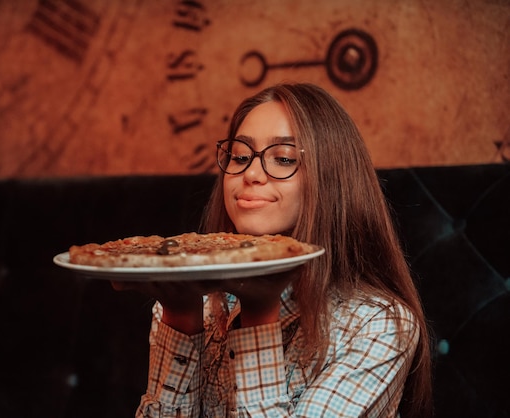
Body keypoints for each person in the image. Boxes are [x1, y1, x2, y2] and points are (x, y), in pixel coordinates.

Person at [116, 82, 432, 417]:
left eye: (283, 159)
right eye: (240, 156)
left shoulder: (377, 325)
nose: (250, 173)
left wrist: (259, 313)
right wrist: (180, 318)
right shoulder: (197, 303)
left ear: (331, 179)